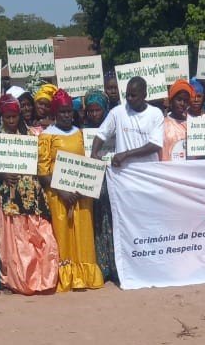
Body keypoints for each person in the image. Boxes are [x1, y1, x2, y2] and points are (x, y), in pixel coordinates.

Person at [38, 89, 104, 291]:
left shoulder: (80, 133)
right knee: (63, 235)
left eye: (69, 112)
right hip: (59, 195)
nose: (66, 115)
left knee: (83, 234)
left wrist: (87, 182)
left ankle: (84, 275)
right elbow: (43, 170)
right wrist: (62, 191)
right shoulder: (47, 136)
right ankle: (66, 277)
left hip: (81, 195)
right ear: (55, 113)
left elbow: (86, 163)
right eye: (62, 112)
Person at [0, 94, 58, 295]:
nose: (11, 121)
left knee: (42, 237)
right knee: (18, 241)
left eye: (14, 116)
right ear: (2, 118)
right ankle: (21, 280)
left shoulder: (32, 136)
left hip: (32, 192)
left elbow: (40, 163)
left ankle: (44, 277)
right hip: (11, 194)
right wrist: (2, 173)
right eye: (7, 117)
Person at [82, 89, 116, 283]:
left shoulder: (115, 129)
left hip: (112, 181)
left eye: (98, 110)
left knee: (113, 223)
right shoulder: (81, 131)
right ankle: (101, 267)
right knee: (97, 224)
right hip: (91, 183)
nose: (94, 114)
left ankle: (115, 265)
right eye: (91, 111)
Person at [92, 77, 164, 167]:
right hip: (123, 175)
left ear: (144, 95)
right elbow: (101, 135)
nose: (129, 98)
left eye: (133, 95)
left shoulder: (156, 113)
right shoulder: (117, 112)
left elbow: (155, 145)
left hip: (148, 173)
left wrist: (126, 154)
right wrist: (94, 154)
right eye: (127, 95)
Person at [161, 80, 191, 161]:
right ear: (172, 100)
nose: (182, 103)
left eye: (185, 101)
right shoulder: (162, 123)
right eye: (179, 99)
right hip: (169, 171)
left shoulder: (192, 124)